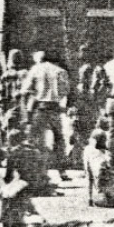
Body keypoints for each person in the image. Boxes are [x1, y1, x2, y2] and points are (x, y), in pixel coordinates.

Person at [20, 49, 70, 180]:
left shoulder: (36, 69)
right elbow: (66, 90)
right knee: (59, 139)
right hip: (55, 107)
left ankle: (39, 170)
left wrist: (33, 99)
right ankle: (62, 171)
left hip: (40, 107)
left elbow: (25, 89)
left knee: (36, 139)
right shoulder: (59, 70)